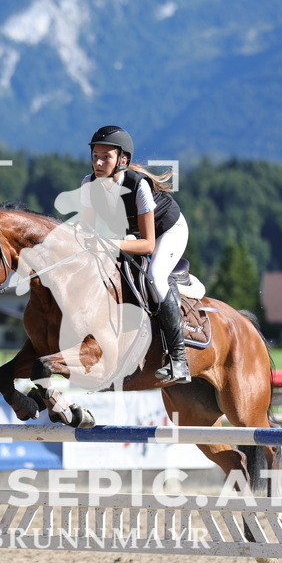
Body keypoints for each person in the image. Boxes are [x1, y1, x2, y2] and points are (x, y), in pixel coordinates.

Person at [81, 125, 191, 384]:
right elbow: (88, 232)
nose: (98, 162)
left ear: (122, 160)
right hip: (130, 235)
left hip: (168, 231)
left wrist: (109, 244)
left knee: (155, 276)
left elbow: (148, 245)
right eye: (95, 155)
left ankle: (179, 359)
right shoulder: (88, 184)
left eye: (106, 157)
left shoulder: (138, 185)